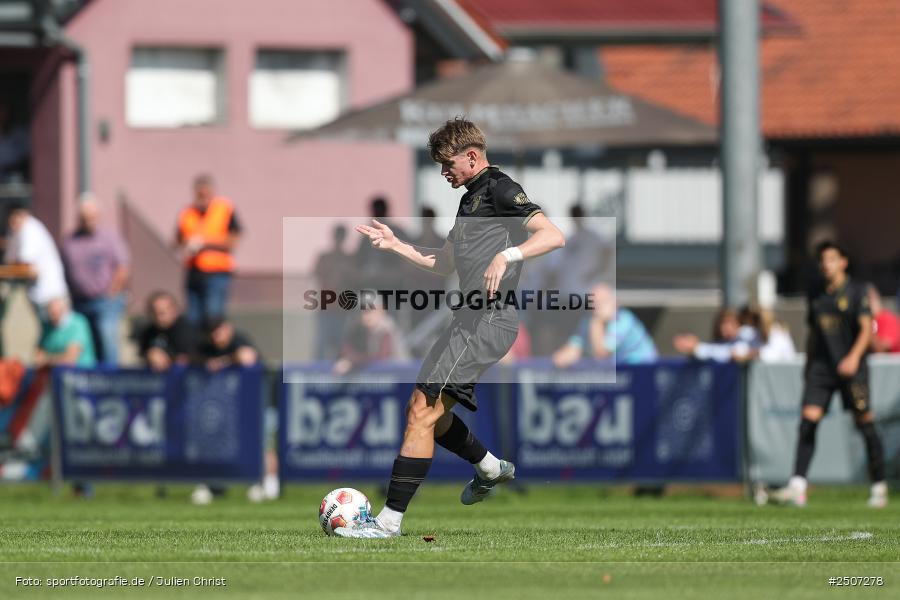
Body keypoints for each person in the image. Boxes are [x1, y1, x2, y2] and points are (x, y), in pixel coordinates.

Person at [335, 117, 566, 538]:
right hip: (469, 319)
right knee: (425, 414)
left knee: (422, 415)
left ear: (472, 156)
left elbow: (552, 235)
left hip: (489, 319)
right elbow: (443, 263)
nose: (443, 173)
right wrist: (396, 244)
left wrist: (508, 256)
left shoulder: (499, 187)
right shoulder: (468, 200)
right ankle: (491, 467)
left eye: (448, 164)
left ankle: (387, 524)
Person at [771, 242, 886, 508]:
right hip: (822, 369)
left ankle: (879, 487)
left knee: (865, 424)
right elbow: (813, 333)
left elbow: (867, 330)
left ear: (843, 262)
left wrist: (853, 358)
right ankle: (797, 486)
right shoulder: (815, 293)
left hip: (852, 367)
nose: (826, 265)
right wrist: (809, 364)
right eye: (823, 260)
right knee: (807, 423)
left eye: (832, 259)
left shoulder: (857, 291)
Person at [61, 196, 130, 364]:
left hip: (106, 300)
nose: (88, 221)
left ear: (98, 216)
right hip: (79, 301)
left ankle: (111, 382)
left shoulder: (109, 237)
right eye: (84, 218)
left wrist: (112, 292)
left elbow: (123, 266)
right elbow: (64, 269)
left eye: (91, 217)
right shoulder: (70, 241)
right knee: (86, 344)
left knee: (106, 340)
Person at [175, 174, 241, 325]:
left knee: (213, 316)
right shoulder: (187, 213)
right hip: (194, 271)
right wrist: (188, 244)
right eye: (200, 195)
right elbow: (177, 240)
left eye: (206, 195)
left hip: (217, 272)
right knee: (193, 318)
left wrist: (205, 243)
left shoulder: (224, 209)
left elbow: (233, 242)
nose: (203, 199)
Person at [552, 282, 657, 367]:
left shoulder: (623, 320)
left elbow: (601, 355)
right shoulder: (588, 320)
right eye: (593, 303)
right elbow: (575, 347)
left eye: (601, 302)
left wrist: (597, 321)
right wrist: (560, 359)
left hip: (643, 367)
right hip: (620, 371)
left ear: (615, 303)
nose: (595, 307)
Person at [4, 203, 68, 328]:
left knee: (54, 336)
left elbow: (29, 268)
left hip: (49, 295)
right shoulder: (18, 230)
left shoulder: (30, 229)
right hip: (40, 295)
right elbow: (11, 260)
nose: (12, 224)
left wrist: (6, 271)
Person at [312, 224, 356, 360]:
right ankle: (316, 372)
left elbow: (356, 279)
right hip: (326, 307)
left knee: (341, 343)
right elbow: (317, 274)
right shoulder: (325, 257)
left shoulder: (349, 259)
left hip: (343, 308)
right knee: (321, 343)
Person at [332, 305, 409, 375]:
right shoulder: (358, 328)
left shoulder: (388, 330)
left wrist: (352, 362)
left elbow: (381, 359)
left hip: (399, 377)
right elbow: (345, 350)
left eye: (369, 311)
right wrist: (348, 359)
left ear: (381, 311)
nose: (365, 315)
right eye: (362, 311)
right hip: (376, 377)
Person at [672, 307, 758, 362]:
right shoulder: (720, 342)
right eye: (722, 323)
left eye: (729, 322)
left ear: (738, 323)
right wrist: (694, 349)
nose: (725, 327)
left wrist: (696, 348)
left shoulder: (748, 335)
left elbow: (734, 352)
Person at [138, 291, 196, 372]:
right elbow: (142, 353)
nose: (158, 318)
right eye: (154, 313)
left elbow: (188, 357)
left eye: (162, 313)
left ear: (175, 310)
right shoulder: (148, 332)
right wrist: (149, 354)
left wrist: (165, 357)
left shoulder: (186, 330)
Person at [35, 296, 96, 368]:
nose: (54, 312)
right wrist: (58, 358)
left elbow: (70, 359)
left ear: (65, 308)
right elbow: (37, 358)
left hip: (80, 374)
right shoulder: (47, 326)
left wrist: (48, 360)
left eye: (57, 309)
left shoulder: (78, 323)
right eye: (50, 309)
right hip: (54, 374)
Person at [867, 284, 900, 353]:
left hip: (890, 362)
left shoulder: (887, 318)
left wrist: (865, 333)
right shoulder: (871, 320)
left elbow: (882, 348)